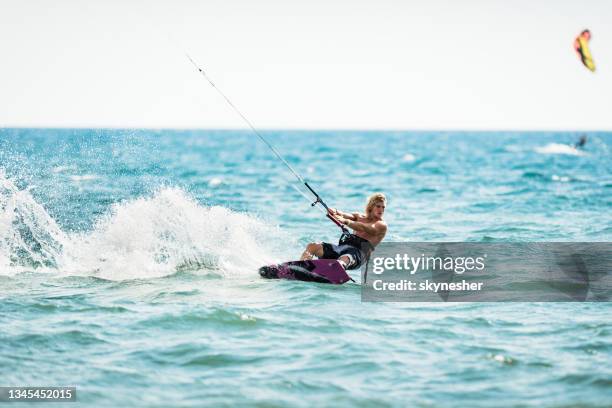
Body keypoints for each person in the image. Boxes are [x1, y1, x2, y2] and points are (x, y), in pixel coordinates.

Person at [300, 193, 388, 270]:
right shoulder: (358, 216)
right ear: (371, 206)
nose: (381, 210)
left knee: (344, 259)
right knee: (312, 246)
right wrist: (335, 211)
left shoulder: (381, 225)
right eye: (378, 206)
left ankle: (337, 268)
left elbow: (364, 227)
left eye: (383, 207)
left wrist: (346, 222)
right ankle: (301, 266)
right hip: (342, 248)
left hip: (358, 255)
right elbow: (343, 214)